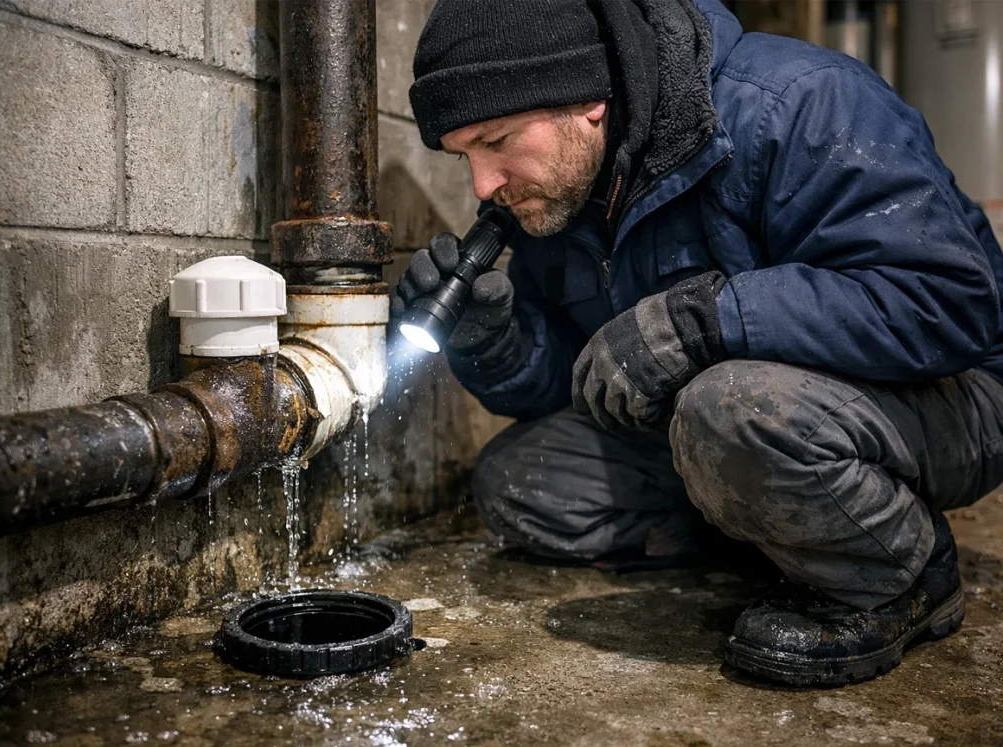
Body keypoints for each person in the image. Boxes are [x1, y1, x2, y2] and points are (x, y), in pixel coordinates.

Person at [391, 0, 1003, 687]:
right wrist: (496, 341)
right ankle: (776, 521)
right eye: (464, 155)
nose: (482, 184)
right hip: (724, 421)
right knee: (520, 482)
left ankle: (904, 571)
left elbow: (951, 303)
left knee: (730, 408)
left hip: (952, 395)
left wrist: (707, 318)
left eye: (496, 141)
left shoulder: (795, 104)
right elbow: (580, 378)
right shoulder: (564, 187)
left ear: (586, 99)